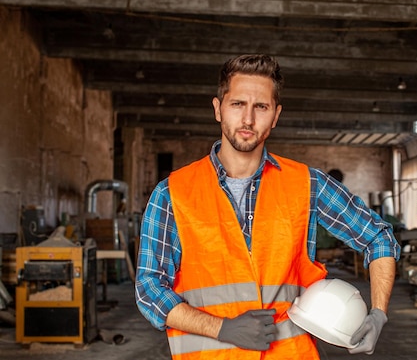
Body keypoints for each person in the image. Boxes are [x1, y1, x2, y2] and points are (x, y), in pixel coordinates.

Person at [135, 54, 401, 359]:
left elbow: (378, 237)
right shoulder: (173, 193)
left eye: (260, 107)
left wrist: (379, 313)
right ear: (218, 109)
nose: (248, 119)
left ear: (275, 115)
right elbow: (149, 288)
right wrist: (221, 328)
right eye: (237, 104)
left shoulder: (307, 184)